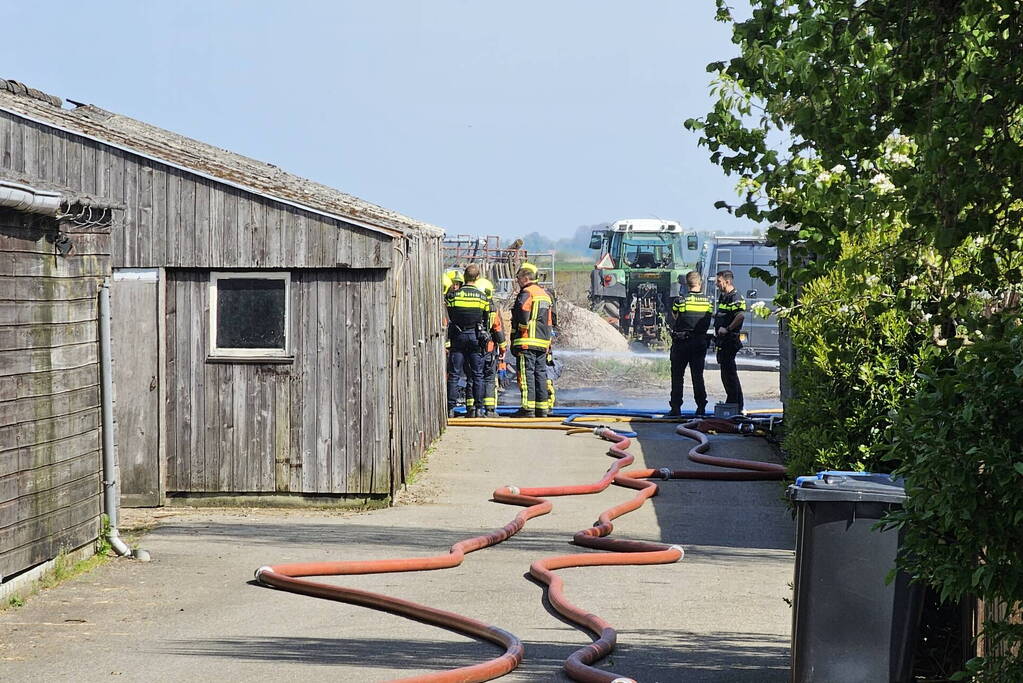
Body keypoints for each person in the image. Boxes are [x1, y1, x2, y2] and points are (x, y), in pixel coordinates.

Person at [510, 262, 554, 417]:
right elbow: (550, 321)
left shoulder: (527, 292)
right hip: (542, 342)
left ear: (526, 277)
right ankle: (542, 408)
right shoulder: (545, 294)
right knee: (540, 373)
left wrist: (520, 331)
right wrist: (549, 342)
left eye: (519, 278)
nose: (517, 281)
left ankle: (527, 408)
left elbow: (523, 312)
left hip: (526, 341)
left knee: (527, 373)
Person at [445, 265, 489, 418]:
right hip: (475, 337)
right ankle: (478, 409)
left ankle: (450, 408)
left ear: (464, 277)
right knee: (478, 374)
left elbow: (450, 314)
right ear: (477, 278)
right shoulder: (482, 297)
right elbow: (486, 319)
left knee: (454, 374)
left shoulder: (454, 296)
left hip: (458, 337)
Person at [667, 271, 712, 417]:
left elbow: (675, 316)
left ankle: (676, 408)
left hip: (681, 343)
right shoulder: (708, 301)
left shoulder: (681, 301)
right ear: (700, 283)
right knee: (697, 376)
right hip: (699, 342)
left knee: (677, 376)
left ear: (686, 284)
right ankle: (701, 407)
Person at [466, 275, 504, 417]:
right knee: (488, 378)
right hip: (488, 349)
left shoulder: (471, 305)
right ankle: (489, 410)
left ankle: (471, 408)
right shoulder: (492, 308)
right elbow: (497, 328)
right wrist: (503, 346)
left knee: (473, 377)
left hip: (472, 348)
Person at [714, 269, 746, 412]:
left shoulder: (735, 297)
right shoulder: (724, 296)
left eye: (719, 281)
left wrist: (727, 328)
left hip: (729, 340)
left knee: (729, 373)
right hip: (722, 341)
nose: (717, 284)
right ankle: (733, 402)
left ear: (727, 281)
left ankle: (735, 403)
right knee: (726, 373)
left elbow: (740, 316)